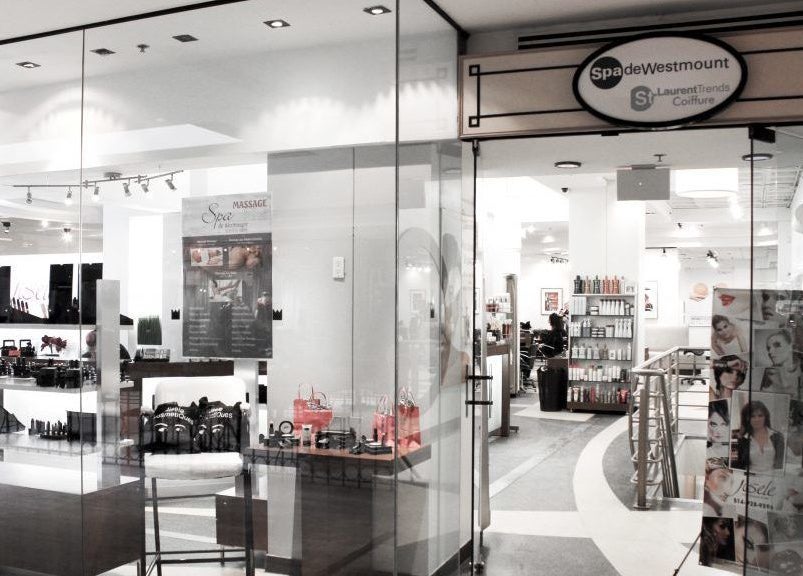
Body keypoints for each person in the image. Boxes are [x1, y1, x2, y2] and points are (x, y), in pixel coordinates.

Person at [733, 400, 785, 472]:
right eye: (752, 416)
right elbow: (737, 465)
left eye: (760, 416)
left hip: (773, 476)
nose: (757, 419)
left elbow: (780, 465)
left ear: (766, 417)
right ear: (747, 418)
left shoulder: (777, 436)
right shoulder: (742, 439)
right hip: (750, 477)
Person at [760, 330, 802, 397]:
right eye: (769, 348)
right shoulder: (769, 371)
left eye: (777, 345)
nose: (770, 351)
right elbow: (764, 392)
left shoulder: (800, 367)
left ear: (790, 346)